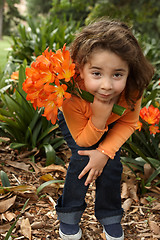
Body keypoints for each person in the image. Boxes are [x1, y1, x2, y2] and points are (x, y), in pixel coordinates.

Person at [55, 19, 154, 240]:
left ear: (130, 71)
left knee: (110, 165)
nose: (107, 86)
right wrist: (98, 118)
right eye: (97, 73)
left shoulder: (132, 89)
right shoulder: (70, 92)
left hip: (113, 124)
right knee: (82, 160)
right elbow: (82, 140)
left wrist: (103, 153)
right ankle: (69, 215)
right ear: (80, 70)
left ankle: (110, 216)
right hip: (78, 122)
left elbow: (128, 122)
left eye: (117, 74)